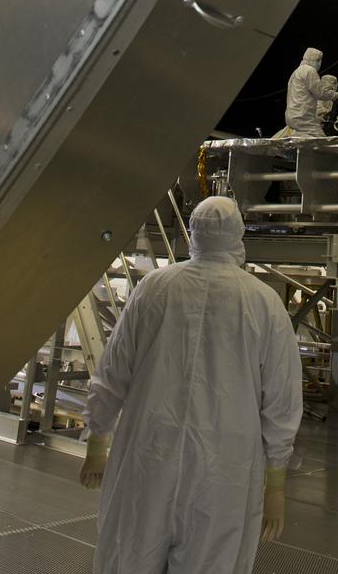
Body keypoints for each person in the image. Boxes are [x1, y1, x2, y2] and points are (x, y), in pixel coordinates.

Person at [80, 196, 303, 573]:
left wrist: (98, 441)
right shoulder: (263, 302)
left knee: (128, 556)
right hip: (224, 469)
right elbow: (281, 399)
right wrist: (276, 482)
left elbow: (113, 370)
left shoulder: (154, 288)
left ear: (193, 233)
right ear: (237, 235)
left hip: (148, 455)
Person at [285, 47, 338, 136]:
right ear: (315, 60)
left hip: (292, 116)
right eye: (319, 60)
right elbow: (321, 94)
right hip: (302, 117)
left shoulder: (296, 72)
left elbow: (300, 98)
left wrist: (315, 116)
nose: (320, 63)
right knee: (319, 139)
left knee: (302, 141)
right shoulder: (309, 71)